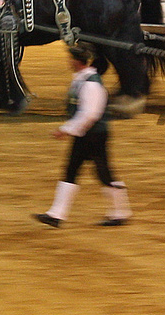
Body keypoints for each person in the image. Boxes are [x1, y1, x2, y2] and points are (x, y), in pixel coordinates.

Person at [36, 45, 131, 228]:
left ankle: (58, 214)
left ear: (77, 61)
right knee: (86, 172)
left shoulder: (90, 83)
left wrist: (67, 129)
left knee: (96, 172)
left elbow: (90, 114)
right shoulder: (84, 79)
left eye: (71, 59)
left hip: (92, 135)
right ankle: (57, 214)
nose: (69, 62)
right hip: (89, 133)